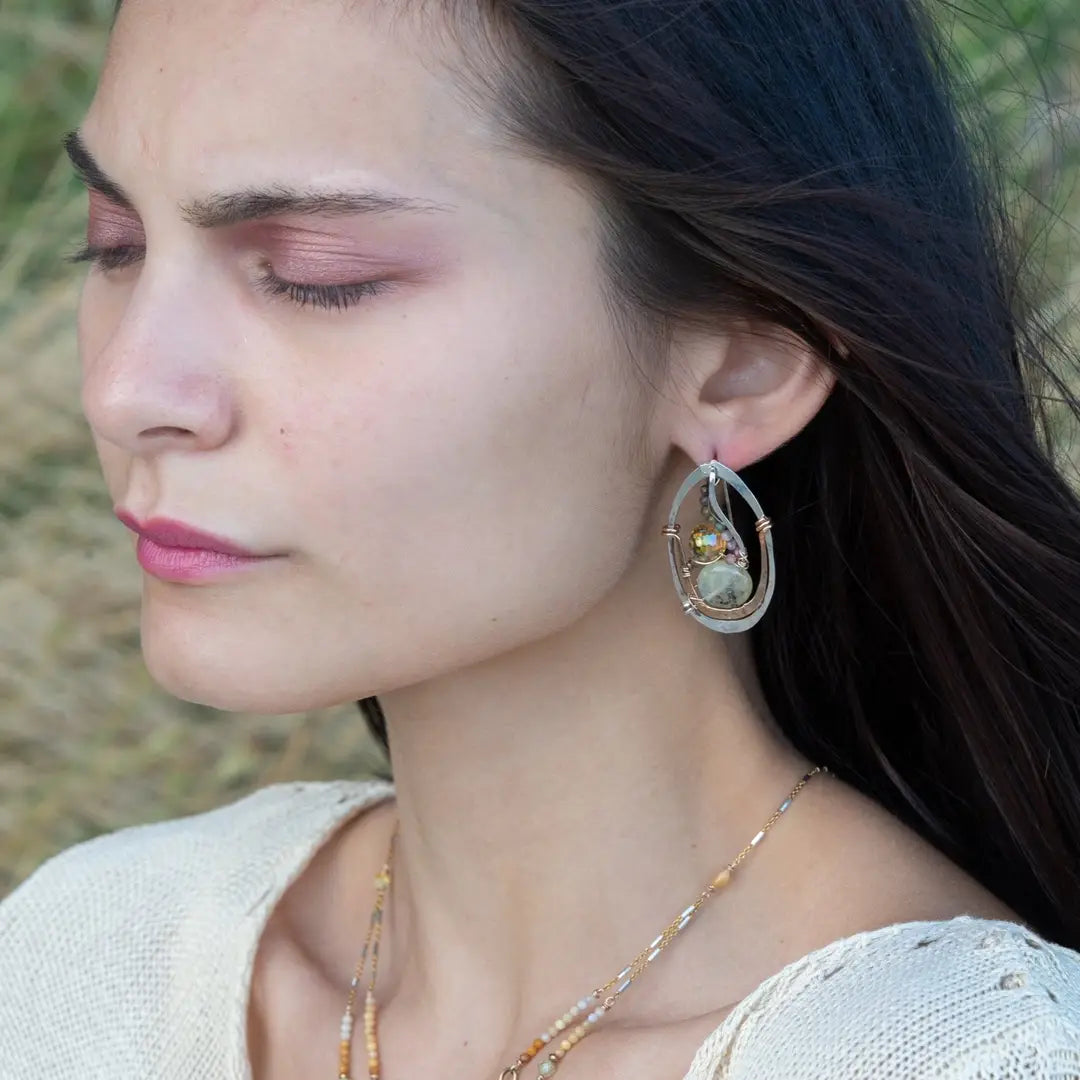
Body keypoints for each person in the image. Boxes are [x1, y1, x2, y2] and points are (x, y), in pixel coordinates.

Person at [2, 0, 1080, 1076]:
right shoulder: (81, 963)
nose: (123, 389)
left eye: (315, 273)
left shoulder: (959, 1057)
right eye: (116, 244)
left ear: (742, 363)